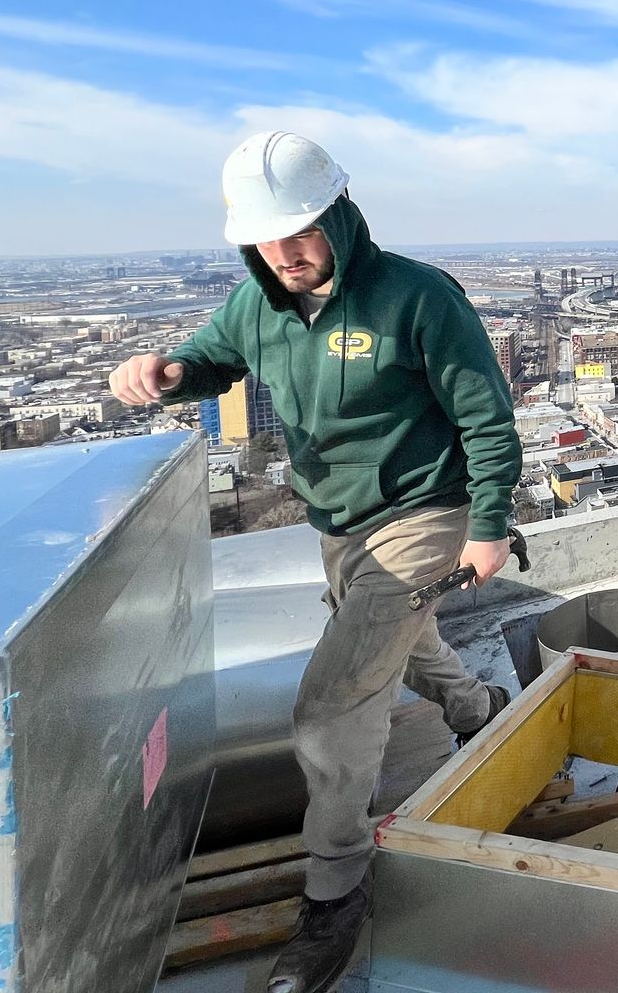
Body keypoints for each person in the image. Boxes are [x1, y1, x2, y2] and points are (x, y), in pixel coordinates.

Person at [109, 131, 524, 993]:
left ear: (338, 211)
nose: (286, 252)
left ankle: (336, 887)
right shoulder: (256, 305)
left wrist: (488, 526)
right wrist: (162, 370)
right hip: (340, 521)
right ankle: (479, 707)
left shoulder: (415, 297)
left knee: (334, 703)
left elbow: (487, 417)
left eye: (300, 230)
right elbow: (210, 360)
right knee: (387, 638)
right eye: (265, 238)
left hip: (424, 514)